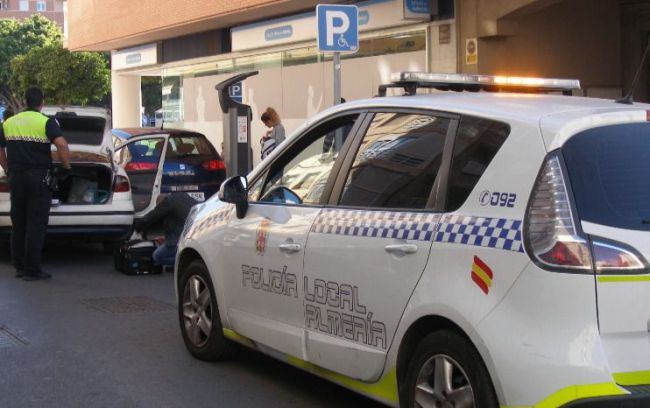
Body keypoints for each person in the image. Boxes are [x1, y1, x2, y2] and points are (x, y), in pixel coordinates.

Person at [0, 87, 71, 281]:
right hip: (38, 178)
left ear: (25, 101)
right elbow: (62, 145)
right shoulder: (45, 121)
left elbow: (0, 149)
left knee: (19, 222)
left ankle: (20, 266)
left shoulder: (9, 123)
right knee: (36, 223)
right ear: (41, 103)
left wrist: (7, 168)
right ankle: (32, 270)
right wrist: (66, 166)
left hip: (16, 177)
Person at [134, 192, 197, 268]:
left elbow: (151, 217)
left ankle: (183, 264)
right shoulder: (182, 197)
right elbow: (176, 225)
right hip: (194, 236)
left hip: (180, 242)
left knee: (157, 256)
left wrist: (137, 227)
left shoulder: (167, 203)